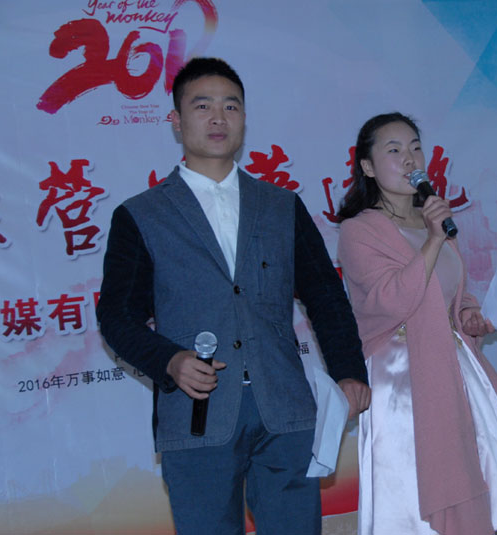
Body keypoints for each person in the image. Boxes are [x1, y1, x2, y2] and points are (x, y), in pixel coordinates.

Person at [96, 57, 371, 535]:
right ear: (177, 121)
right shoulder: (141, 214)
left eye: (231, 106)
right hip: (196, 416)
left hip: (285, 408)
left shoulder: (282, 205)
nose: (218, 117)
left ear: (244, 117)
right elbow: (117, 317)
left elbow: (325, 294)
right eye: (202, 106)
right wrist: (170, 362)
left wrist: (349, 370)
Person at [336, 112, 497, 535]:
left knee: (473, 480)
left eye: (415, 148)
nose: (410, 159)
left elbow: (448, 291)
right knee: (416, 498)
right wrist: (433, 239)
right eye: (394, 150)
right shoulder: (359, 231)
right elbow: (393, 300)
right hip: (402, 380)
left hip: (453, 369)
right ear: (368, 167)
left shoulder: (434, 221)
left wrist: (467, 314)